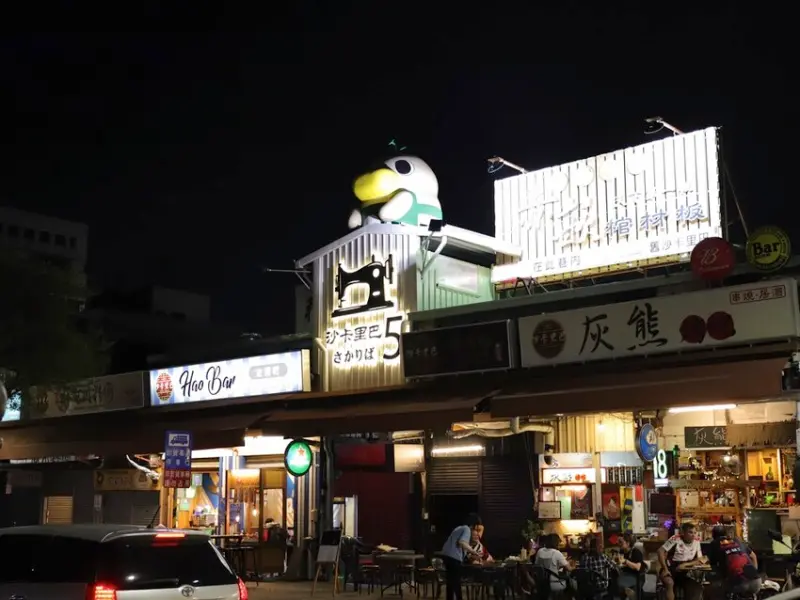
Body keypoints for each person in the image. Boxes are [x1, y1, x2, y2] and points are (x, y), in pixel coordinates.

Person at [706, 525, 761, 598]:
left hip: (738, 584)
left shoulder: (714, 543)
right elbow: (753, 556)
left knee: (714, 589)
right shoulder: (736, 540)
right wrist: (754, 571)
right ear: (725, 534)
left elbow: (713, 565)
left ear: (713, 535)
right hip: (756, 582)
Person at [441, 513, 483, 600]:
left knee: (450, 582)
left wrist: (469, 555)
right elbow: (462, 542)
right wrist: (474, 552)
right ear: (474, 524)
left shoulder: (459, 528)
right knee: (456, 582)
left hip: (446, 555)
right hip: (454, 557)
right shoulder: (467, 529)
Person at [657, 522, 704, 600]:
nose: (693, 535)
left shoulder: (697, 540)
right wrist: (665, 569)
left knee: (696, 586)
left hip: (685, 571)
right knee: (669, 583)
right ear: (683, 533)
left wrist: (685, 565)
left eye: (695, 532)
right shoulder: (675, 538)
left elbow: (700, 559)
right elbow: (660, 551)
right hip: (670, 568)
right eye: (690, 532)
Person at [617, 533, 646, 598]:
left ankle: (631, 594)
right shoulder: (622, 551)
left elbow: (637, 567)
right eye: (619, 542)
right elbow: (621, 564)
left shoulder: (636, 552)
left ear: (628, 543)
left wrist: (626, 561)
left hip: (636, 576)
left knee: (619, 582)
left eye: (621, 542)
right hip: (626, 574)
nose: (619, 544)